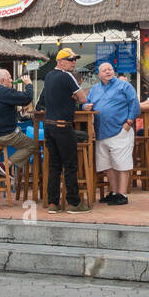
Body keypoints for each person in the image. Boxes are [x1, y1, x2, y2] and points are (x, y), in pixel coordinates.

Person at [38, 48, 88, 213]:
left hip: (49, 126)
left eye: (74, 59)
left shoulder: (49, 76)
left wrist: (70, 96)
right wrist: (73, 97)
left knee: (54, 166)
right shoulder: (67, 76)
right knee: (71, 165)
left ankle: (53, 203)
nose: (74, 62)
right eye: (70, 59)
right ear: (60, 61)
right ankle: (74, 203)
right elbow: (83, 98)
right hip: (63, 126)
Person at [85, 62, 142, 205]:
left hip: (120, 130)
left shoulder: (124, 86)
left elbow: (134, 104)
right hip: (101, 131)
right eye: (104, 70)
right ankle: (114, 192)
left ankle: (122, 194)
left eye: (110, 69)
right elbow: (86, 104)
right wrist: (85, 107)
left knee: (121, 163)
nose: (108, 72)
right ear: (99, 74)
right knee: (107, 165)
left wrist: (128, 123)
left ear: (113, 71)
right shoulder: (94, 89)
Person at [0, 69, 36, 176]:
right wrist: (29, 84)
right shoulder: (4, 91)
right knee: (31, 145)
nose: (12, 80)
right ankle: (5, 165)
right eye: (9, 78)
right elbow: (27, 98)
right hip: (2, 135)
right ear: (3, 80)